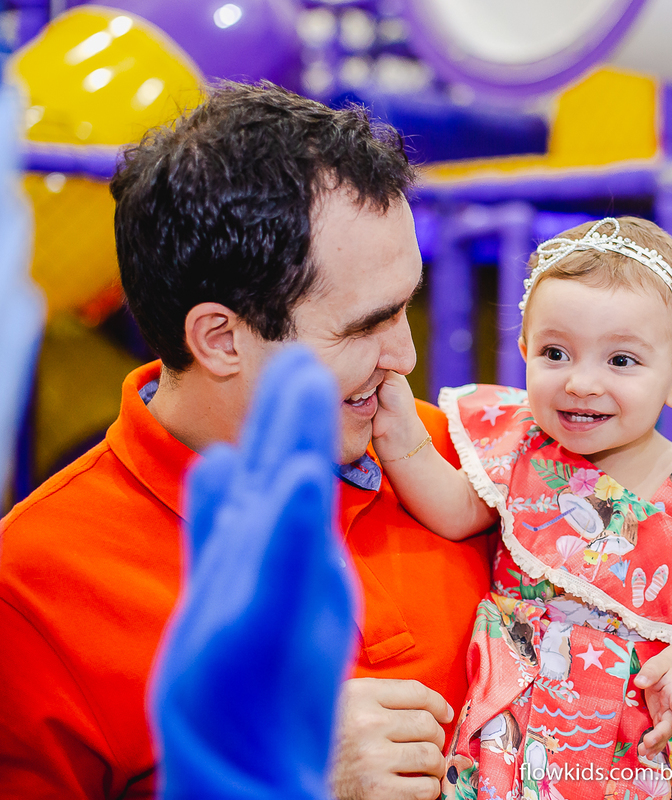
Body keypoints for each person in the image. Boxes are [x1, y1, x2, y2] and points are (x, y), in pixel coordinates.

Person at [0, 82, 491, 799]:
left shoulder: (467, 461)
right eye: (365, 326)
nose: (406, 357)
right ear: (221, 338)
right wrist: (264, 778)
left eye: (405, 307)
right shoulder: (32, 587)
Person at [370, 217, 672, 800]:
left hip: (634, 730)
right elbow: (457, 510)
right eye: (556, 353)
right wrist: (399, 437)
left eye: (620, 361)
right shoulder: (522, 447)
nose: (581, 382)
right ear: (524, 351)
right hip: (519, 723)